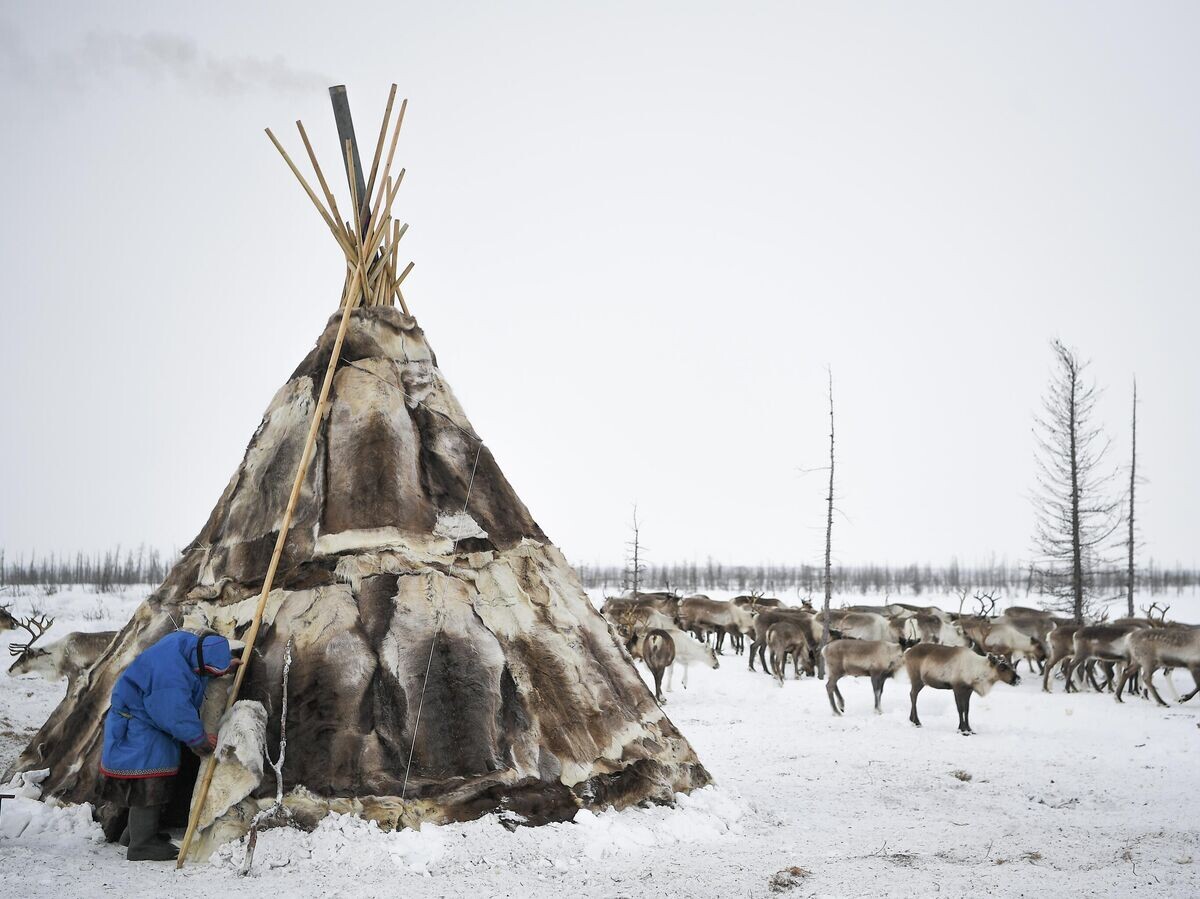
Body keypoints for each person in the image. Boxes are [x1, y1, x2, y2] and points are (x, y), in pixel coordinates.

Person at [99, 629, 241, 861]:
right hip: (138, 728)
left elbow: (199, 665)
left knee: (148, 781)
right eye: (209, 671)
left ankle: (132, 836)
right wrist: (200, 741)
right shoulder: (169, 677)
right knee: (149, 782)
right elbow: (175, 713)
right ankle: (141, 845)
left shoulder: (184, 645)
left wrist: (221, 665)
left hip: (143, 721)